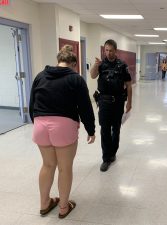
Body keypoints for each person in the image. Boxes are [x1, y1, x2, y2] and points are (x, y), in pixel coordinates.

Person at [29, 45, 96, 219]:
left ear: (58, 61)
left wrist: (35, 122)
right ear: (73, 63)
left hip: (40, 124)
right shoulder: (75, 79)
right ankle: (64, 207)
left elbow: (32, 103)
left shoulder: (40, 76)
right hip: (63, 126)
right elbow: (85, 107)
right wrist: (91, 129)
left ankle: (44, 204)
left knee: (47, 165)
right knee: (65, 168)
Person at [90, 39, 132, 172]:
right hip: (104, 102)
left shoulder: (122, 65)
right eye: (106, 50)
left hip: (118, 101)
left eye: (111, 50)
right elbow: (92, 76)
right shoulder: (101, 65)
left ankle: (113, 152)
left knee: (116, 129)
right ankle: (106, 158)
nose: (108, 53)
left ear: (116, 50)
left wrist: (129, 102)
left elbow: (129, 85)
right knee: (105, 130)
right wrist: (95, 65)